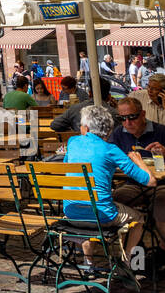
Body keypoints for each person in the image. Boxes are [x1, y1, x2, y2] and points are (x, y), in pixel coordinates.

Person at [65, 104, 156, 265]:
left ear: (85, 128)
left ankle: (89, 263)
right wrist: (139, 161)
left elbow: (67, 167)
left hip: (71, 212)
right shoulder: (110, 149)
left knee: (92, 203)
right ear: (109, 130)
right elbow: (150, 181)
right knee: (139, 218)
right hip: (102, 216)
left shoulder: (73, 142)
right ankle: (127, 261)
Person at [108, 96, 165, 269]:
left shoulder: (162, 132)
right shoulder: (117, 134)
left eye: (132, 117)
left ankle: (163, 252)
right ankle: (135, 251)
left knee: (163, 202)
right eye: (122, 118)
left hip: (164, 183)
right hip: (132, 184)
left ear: (143, 114)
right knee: (118, 198)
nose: (128, 122)